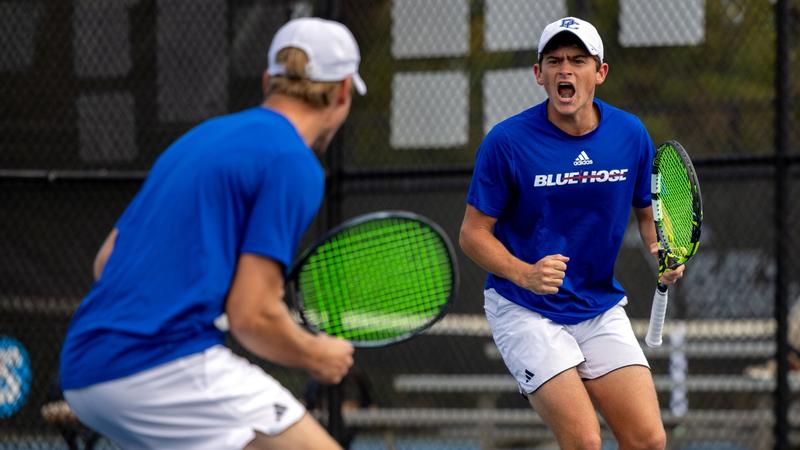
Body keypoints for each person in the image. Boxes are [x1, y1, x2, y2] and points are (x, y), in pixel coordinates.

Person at [59, 17, 366, 450]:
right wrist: (316, 354)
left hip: (83, 368)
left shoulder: (199, 139)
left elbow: (106, 261)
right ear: (343, 91)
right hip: (160, 365)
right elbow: (252, 316)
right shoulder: (293, 163)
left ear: (268, 81)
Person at [459, 17, 684, 450]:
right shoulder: (506, 142)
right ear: (538, 74)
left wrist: (660, 249)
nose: (566, 70)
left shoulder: (630, 134)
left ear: (599, 72)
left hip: (597, 305)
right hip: (524, 307)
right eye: (555, 61)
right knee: (583, 440)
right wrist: (524, 273)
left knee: (648, 439)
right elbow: (473, 234)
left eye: (578, 60)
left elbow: (646, 212)